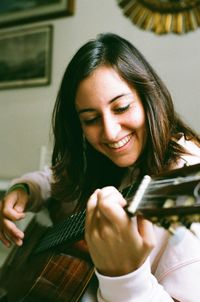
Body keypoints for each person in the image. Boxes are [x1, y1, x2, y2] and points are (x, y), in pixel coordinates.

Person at [0, 32, 200, 302]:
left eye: (121, 107)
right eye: (91, 119)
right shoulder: (100, 159)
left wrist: (125, 276)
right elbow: (57, 177)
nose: (110, 132)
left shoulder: (186, 178)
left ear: (148, 98)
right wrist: (27, 189)